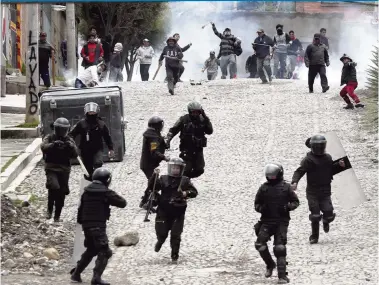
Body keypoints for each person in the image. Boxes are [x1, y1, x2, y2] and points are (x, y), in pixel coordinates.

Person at [70, 167, 127, 284]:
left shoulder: (86, 192)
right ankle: (96, 278)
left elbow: (80, 211)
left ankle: (76, 274)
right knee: (105, 252)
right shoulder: (105, 192)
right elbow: (122, 203)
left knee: (91, 249)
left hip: (87, 226)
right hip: (98, 227)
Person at [291, 135, 346, 244]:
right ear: (313, 146)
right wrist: (295, 181)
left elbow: (330, 171)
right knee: (315, 215)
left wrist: (340, 166)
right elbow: (299, 171)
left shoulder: (328, 158)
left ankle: (326, 220)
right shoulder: (308, 160)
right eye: (318, 146)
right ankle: (314, 236)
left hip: (325, 191)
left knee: (329, 214)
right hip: (312, 192)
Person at [254, 163, 299, 284]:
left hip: (281, 222)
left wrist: (287, 207)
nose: (271, 178)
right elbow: (256, 204)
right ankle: (270, 264)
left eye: (273, 176)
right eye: (270, 176)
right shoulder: (263, 188)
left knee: (279, 248)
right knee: (260, 244)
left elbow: (295, 202)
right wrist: (262, 208)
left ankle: (282, 276)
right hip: (267, 221)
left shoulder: (286, 187)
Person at [149, 158, 198, 264]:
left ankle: (174, 255)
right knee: (162, 232)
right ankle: (160, 241)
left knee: (176, 235)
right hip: (163, 210)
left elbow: (194, 192)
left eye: (177, 168)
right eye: (174, 168)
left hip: (178, 212)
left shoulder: (185, 180)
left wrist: (185, 193)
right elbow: (152, 187)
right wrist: (154, 176)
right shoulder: (163, 178)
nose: (175, 170)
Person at [40, 118, 78, 222]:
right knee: (54, 187)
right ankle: (49, 210)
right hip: (51, 167)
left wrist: (70, 147)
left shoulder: (69, 140)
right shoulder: (50, 137)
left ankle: (57, 216)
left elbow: (75, 154)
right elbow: (43, 146)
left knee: (62, 192)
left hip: (64, 169)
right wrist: (53, 145)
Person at [166, 101, 213, 179]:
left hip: (198, 149)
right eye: (194, 112)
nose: (196, 114)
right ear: (190, 111)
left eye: (198, 112)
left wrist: (206, 119)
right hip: (186, 149)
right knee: (186, 169)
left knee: (199, 169)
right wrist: (168, 140)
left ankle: (187, 180)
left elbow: (210, 131)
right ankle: (183, 182)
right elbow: (173, 130)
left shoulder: (202, 120)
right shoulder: (183, 120)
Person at [69, 102, 114, 179]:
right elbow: (72, 134)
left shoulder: (101, 124)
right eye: (90, 112)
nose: (91, 113)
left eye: (93, 111)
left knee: (98, 164)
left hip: (97, 149)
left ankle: (98, 182)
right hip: (85, 150)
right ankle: (89, 183)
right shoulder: (81, 124)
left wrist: (111, 148)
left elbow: (107, 137)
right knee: (88, 170)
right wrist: (70, 143)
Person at [139, 116, 170, 208]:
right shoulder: (153, 137)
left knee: (153, 182)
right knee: (155, 183)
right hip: (148, 165)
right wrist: (164, 157)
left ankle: (145, 201)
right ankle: (147, 201)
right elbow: (154, 152)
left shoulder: (153, 134)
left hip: (148, 164)